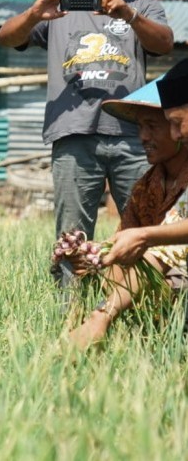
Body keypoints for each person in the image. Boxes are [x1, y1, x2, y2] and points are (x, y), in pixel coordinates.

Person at [0, 0, 174, 293]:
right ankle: (70, 312)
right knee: (72, 236)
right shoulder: (57, 9)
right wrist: (34, 14)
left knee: (145, 227)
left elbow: (164, 44)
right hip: (73, 134)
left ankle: (144, 307)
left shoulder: (142, 5)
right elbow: (5, 37)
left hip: (132, 137)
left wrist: (127, 14)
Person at [69, 60, 188, 349]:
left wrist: (102, 315)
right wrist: (98, 257)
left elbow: (163, 251)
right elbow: (130, 244)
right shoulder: (146, 188)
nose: (143, 137)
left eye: (160, 125)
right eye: (140, 127)